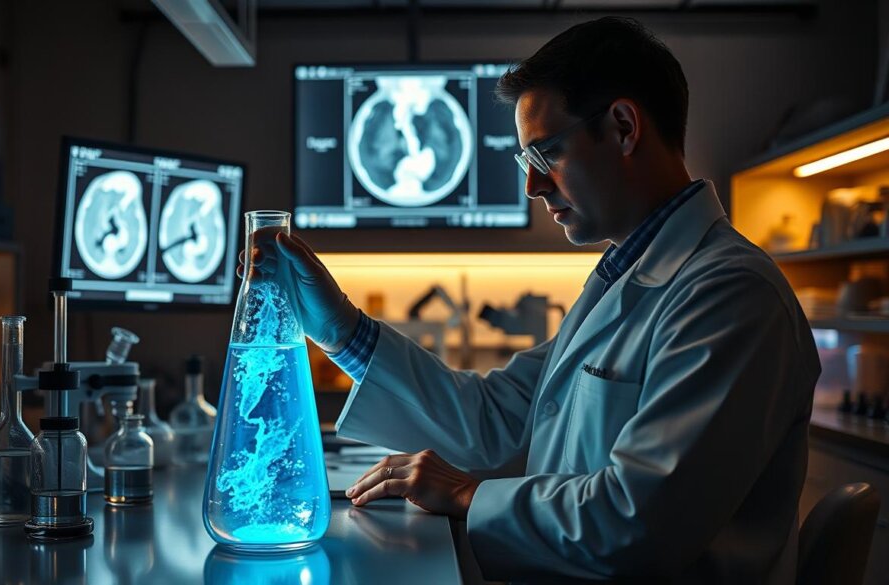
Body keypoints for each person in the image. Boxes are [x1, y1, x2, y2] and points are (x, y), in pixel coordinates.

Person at [243, 16, 819, 583]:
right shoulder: (626, 281)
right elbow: (494, 422)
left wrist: (470, 494)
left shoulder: (733, 296)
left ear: (623, 127)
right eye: (526, 162)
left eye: (545, 155)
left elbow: (639, 523)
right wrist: (341, 331)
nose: (532, 187)